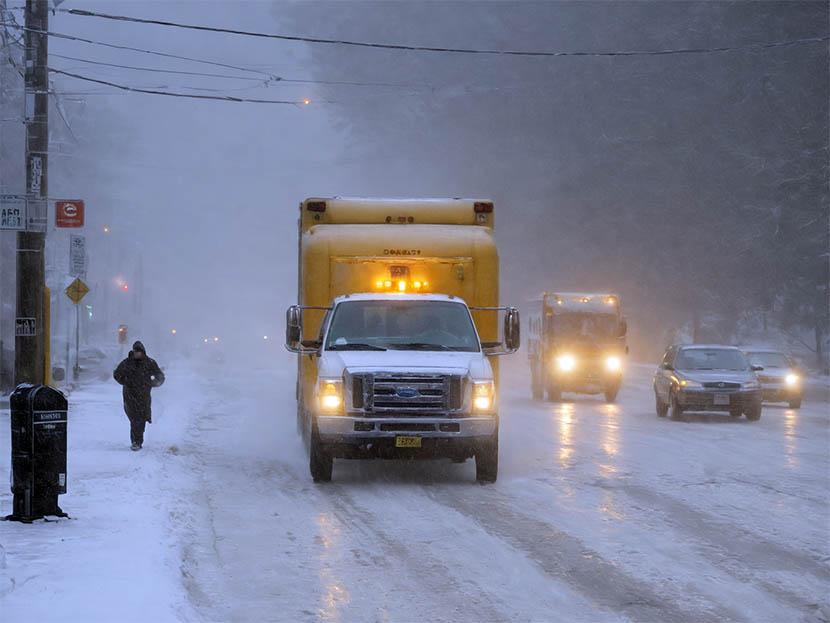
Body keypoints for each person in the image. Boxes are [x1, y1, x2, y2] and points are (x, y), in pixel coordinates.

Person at [113, 341, 165, 451]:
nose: (137, 354)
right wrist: (127, 382)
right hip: (130, 395)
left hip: (144, 396)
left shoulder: (149, 363)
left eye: (139, 352)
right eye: (135, 352)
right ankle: (135, 441)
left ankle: (138, 441)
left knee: (141, 419)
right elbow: (117, 374)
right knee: (134, 418)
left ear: (143, 352)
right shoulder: (127, 363)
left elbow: (159, 375)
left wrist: (153, 383)